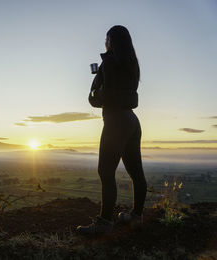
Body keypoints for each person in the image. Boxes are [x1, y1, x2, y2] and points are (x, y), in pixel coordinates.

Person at [76, 25, 147, 235]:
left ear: (110, 41)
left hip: (115, 121)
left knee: (105, 172)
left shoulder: (109, 62)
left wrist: (96, 84)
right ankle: (136, 216)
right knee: (136, 173)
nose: (104, 43)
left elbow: (101, 97)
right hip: (132, 121)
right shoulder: (132, 63)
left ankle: (104, 224)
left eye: (106, 39)